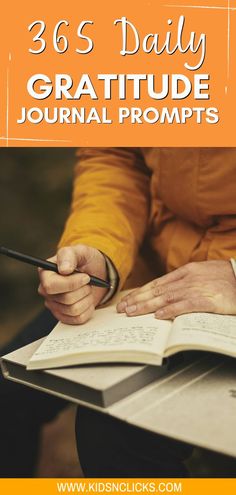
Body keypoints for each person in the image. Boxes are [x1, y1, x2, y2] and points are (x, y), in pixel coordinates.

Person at [1, 147, 236, 477]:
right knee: (8, 392)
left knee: (112, 436)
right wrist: (101, 251)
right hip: (145, 280)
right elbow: (115, 157)